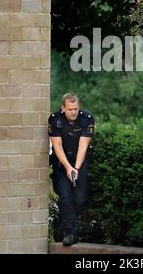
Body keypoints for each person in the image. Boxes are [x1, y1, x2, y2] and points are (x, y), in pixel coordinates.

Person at [48, 92, 95, 246]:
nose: (73, 112)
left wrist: (75, 168)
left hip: (80, 162)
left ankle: (61, 222)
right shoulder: (55, 120)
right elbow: (57, 146)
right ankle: (71, 233)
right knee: (65, 196)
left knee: (81, 199)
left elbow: (83, 146)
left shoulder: (87, 119)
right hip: (62, 163)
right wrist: (68, 167)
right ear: (63, 108)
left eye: (75, 109)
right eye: (70, 109)